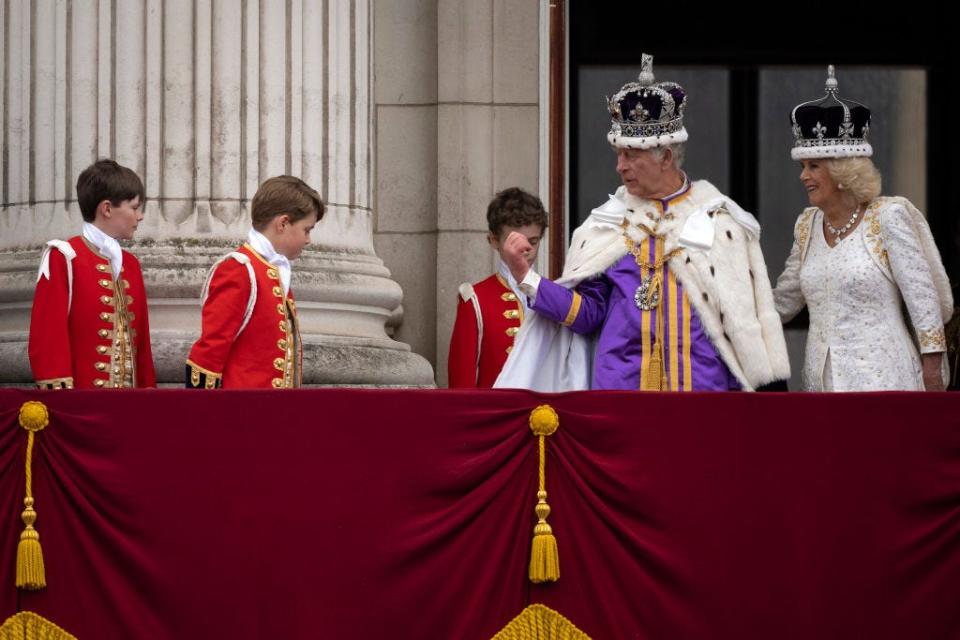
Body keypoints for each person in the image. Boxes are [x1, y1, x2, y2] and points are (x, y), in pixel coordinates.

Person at [495, 54, 789, 391]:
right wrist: (527, 279)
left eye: (631, 155)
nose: (620, 166)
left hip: (705, 404)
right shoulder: (605, 225)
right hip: (623, 401)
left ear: (665, 157)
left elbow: (746, 325)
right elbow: (587, 314)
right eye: (618, 154)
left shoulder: (721, 222)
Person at [773, 66, 953, 391]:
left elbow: (922, 297)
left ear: (843, 172)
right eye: (803, 167)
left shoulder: (887, 218)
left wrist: (932, 369)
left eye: (814, 166)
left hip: (885, 380)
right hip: (822, 384)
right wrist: (728, 314)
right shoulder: (807, 226)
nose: (803, 176)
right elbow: (784, 303)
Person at [185, 176, 324, 389]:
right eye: (307, 229)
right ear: (283, 223)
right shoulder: (239, 269)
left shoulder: (274, 270)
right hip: (242, 413)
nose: (308, 240)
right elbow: (210, 352)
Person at [28, 159, 156, 389]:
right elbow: (47, 338)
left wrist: (148, 396)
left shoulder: (131, 265)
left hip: (130, 407)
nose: (140, 216)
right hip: (83, 407)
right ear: (107, 209)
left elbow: (142, 347)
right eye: (134, 207)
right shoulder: (64, 257)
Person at [447, 188, 548, 388]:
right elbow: (462, 384)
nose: (525, 249)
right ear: (494, 240)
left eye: (533, 241)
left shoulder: (555, 296)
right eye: (515, 242)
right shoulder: (475, 299)